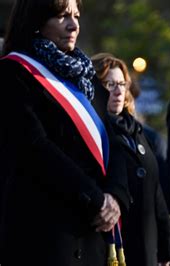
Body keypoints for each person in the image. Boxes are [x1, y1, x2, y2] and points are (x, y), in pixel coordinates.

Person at [0, 0, 130, 265]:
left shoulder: (85, 76)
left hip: (94, 232)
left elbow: (113, 139)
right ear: (36, 21)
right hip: (46, 230)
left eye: (76, 16)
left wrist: (115, 196)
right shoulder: (13, 72)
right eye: (62, 16)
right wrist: (96, 200)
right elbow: (34, 147)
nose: (73, 25)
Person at [91, 53, 170, 266]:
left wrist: (166, 250)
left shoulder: (136, 131)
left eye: (122, 84)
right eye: (110, 84)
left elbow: (156, 192)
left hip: (147, 246)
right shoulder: (93, 132)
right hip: (113, 246)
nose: (118, 91)